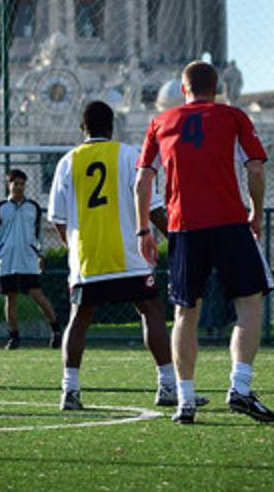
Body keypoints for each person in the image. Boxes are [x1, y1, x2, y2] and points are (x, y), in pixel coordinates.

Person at [134, 60, 274, 424]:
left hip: (184, 228)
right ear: (218, 88)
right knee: (249, 305)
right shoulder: (233, 116)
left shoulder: (159, 123)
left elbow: (142, 183)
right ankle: (240, 388)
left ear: (183, 89)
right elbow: (256, 169)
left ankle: (186, 400)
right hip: (229, 222)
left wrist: (143, 231)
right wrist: (256, 212)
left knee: (185, 314)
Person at [48, 101, 207, 411]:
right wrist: (177, 241)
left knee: (79, 318)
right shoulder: (129, 155)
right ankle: (167, 386)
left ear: (83, 128)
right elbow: (153, 207)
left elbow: (58, 219)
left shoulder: (67, 162)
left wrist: (74, 250)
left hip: (87, 259)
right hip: (131, 255)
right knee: (151, 310)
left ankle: (70, 391)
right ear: (112, 126)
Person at [0, 169, 60, 350]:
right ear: (9, 185)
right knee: (11, 299)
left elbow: (38, 234)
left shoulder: (34, 208)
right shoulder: (0, 208)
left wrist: (40, 254)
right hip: (6, 260)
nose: (19, 187)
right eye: (16, 184)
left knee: (37, 295)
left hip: (27, 260)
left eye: (22, 184)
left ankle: (56, 330)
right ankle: (14, 336)